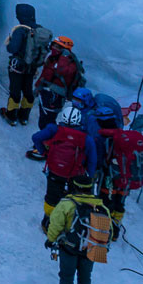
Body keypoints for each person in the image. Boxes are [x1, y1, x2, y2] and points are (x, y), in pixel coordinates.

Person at [32, 88, 106, 227]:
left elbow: (36, 138)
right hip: (75, 173)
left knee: (52, 197)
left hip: (54, 170)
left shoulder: (54, 129)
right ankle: (67, 223)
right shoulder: (86, 138)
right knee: (72, 199)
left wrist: (44, 153)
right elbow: (92, 160)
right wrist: (89, 176)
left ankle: (48, 222)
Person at [45, 182, 113, 284]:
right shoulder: (101, 207)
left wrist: (51, 239)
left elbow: (56, 223)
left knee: (67, 276)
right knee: (85, 277)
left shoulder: (67, 204)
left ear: (75, 187)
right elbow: (108, 230)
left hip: (69, 247)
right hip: (90, 248)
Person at [0, 3, 51, 125]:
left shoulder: (20, 30)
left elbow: (12, 48)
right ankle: (24, 117)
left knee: (15, 91)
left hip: (17, 66)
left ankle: (11, 116)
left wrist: (9, 42)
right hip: (32, 67)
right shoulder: (39, 30)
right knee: (28, 90)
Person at [31, 35, 83, 142]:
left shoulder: (70, 62)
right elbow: (45, 74)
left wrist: (64, 57)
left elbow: (62, 71)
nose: (54, 48)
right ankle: (48, 141)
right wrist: (37, 87)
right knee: (44, 120)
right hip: (46, 93)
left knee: (48, 121)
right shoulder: (53, 58)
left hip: (55, 96)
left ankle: (50, 142)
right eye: (54, 45)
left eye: (58, 46)